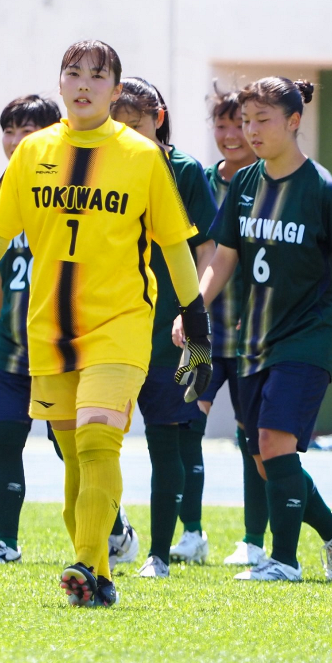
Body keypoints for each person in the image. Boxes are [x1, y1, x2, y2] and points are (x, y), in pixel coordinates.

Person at [0, 40, 210, 608]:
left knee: (101, 438)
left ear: (114, 89)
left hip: (121, 324)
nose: (84, 84)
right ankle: (99, 575)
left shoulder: (141, 156)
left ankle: (83, 562)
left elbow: (177, 247)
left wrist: (197, 327)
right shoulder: (33, 152)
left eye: (97, 76)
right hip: (50, 329)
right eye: (73, 73)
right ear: (59, 84)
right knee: (74, 456)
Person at [182, 77, 332, 582]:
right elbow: (223, 258)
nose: (251, 131)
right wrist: (194, 308)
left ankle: (282, 561)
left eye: (262, 120)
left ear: (293, 121)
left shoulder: (322, 190)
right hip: (254, 338)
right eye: (246, 121)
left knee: (274, 441)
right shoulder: (244, 184)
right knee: (264, 457)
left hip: (307, 337)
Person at [107, 78, 217, 578]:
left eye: (136, 125)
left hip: (173, 327)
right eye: (118, 126)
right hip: (114, 321)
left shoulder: (185, 171)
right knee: (80, 432)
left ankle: (160, 553)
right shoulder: (103, 167)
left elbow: (205, 250)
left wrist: (193, 312)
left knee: (168, 436)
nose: (126, 135)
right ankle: (112, 533)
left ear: (159, 117)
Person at [0, 93, 64, 564]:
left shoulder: (69, 188)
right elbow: (0, 267)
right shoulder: (5, 189)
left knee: (70, 446)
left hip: (61, 347)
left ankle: (113, 528)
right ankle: (6, 543)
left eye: (25, 131)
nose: (14, 141)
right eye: (9, 130)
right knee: (3, 436)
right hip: (11, 350)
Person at [199, 87, 268, 568]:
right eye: (220, 125)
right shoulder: (202, 181)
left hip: (252, 335)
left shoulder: (271, 182)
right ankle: (188, 532)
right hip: (205, 330)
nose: (229, 135)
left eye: (237, 124)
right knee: (184, 425)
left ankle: (254, 538)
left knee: (253, 440)